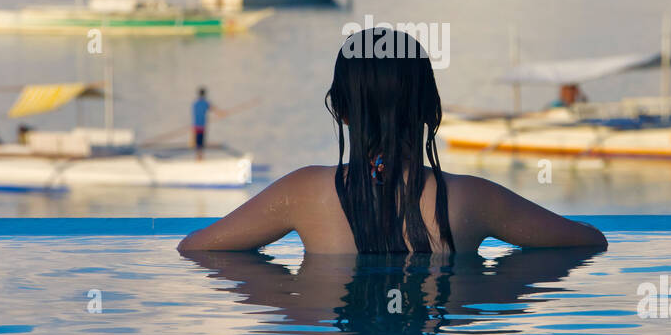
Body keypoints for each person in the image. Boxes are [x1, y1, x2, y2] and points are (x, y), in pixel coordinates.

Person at [177, 28, 606, 254]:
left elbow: (197, 247)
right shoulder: (472, 199)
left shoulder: (303, 194)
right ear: (428, 110)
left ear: (341, 111)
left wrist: (284, 295)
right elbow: (588, 240)